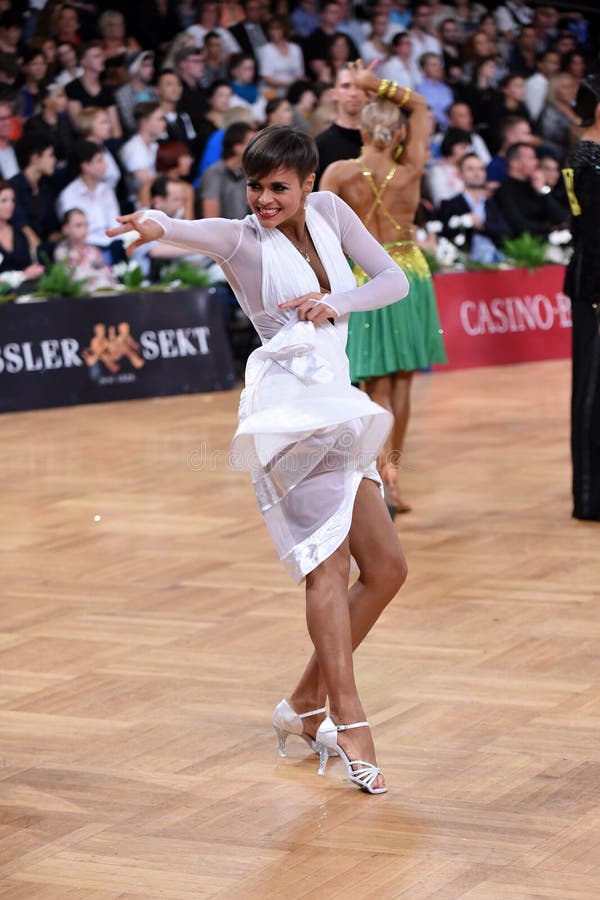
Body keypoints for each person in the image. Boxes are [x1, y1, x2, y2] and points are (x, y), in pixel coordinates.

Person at [108, 124, 410, 794]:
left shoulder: (332, 210)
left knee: (387, 568)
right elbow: (186, 227)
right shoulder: (243, 238)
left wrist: (339, 301)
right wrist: (154, 223)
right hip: (287, 415)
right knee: (328, 567)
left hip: (337, 404)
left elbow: (393, 282)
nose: (265, 198)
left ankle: (304, 704)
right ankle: (348, 717)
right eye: (256, 185)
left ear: (308, 183)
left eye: (280, 186)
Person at [320, 66, 446, 514]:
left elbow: (316, 230)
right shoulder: (410, 168)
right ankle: (392, 476)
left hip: (367, 279)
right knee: (404, 379)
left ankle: (376, 476)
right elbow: (422, 105)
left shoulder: (339, 172)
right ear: (397, 135)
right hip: (409, 273)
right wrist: (378, 85)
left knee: (375, 384)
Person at [562, 74, 600, 521]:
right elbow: (589, 229)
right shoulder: (587, 158)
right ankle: (590, 496)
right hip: (594, 283)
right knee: (591, 391)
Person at [492, 141, 567, 238]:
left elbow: (561, 218)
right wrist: (551, 229)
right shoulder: (504, 191)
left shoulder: (535, 186)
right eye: (531, 158)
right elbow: (519, 226)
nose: (536, 162)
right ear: (514, 163)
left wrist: (542, 190)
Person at [54, 207, 118, 291]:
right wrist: (94, 276)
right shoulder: (61, 252)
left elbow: (109, 276)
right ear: (66, 229)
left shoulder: (94, 251)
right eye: (79, 225)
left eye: (86, 225)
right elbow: (69, 281)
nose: (85, 229)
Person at [0, 181, 45, 280]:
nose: (10, 205)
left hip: (26, 291)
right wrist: (22, 275)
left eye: (13, 200)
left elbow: (37, 258)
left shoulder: (20, 233)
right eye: (4, 200)